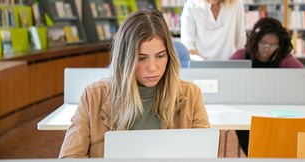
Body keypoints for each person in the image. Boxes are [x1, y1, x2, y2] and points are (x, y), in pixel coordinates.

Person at [58, 10, 210, 158]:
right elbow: (71, 156)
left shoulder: (191, 95)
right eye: (141, 58)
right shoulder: (94, 96)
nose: (152, 67)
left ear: (169, 56)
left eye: (160, 56)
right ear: (125, 59)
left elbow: (204, 155)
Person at [230, 17, 304, 156]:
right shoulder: (241, 56)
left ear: (280, 45)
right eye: (263, 43)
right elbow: (228, 79)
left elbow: (303, 77)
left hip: (275, 112)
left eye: (273, 45)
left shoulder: (284, 59)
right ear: (256, 40)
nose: (267, 48)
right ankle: (256, 156)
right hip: (246, 111)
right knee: (248, 135)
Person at [180, 0, 246, 60]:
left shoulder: (237, 4)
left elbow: (240, 43)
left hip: (230, 67)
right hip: (200, 68)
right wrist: (204, 65)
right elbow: (188, 46)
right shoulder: (191, 5)